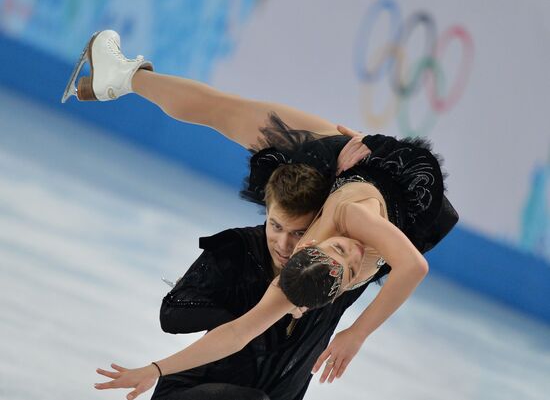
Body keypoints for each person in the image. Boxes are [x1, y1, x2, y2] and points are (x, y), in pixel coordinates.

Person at [63, 31, 457, 400]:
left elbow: (412, 267)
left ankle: (124, 78)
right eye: (343, 254)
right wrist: (155, 369)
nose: (352, 250)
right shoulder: (349, 226)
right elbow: (411, 265)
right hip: (396, 190)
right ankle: (123, 78)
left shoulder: (326, 252)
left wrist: (356, 333)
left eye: (338, 251)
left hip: (370, 173)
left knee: (243, 118)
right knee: (226, 113)